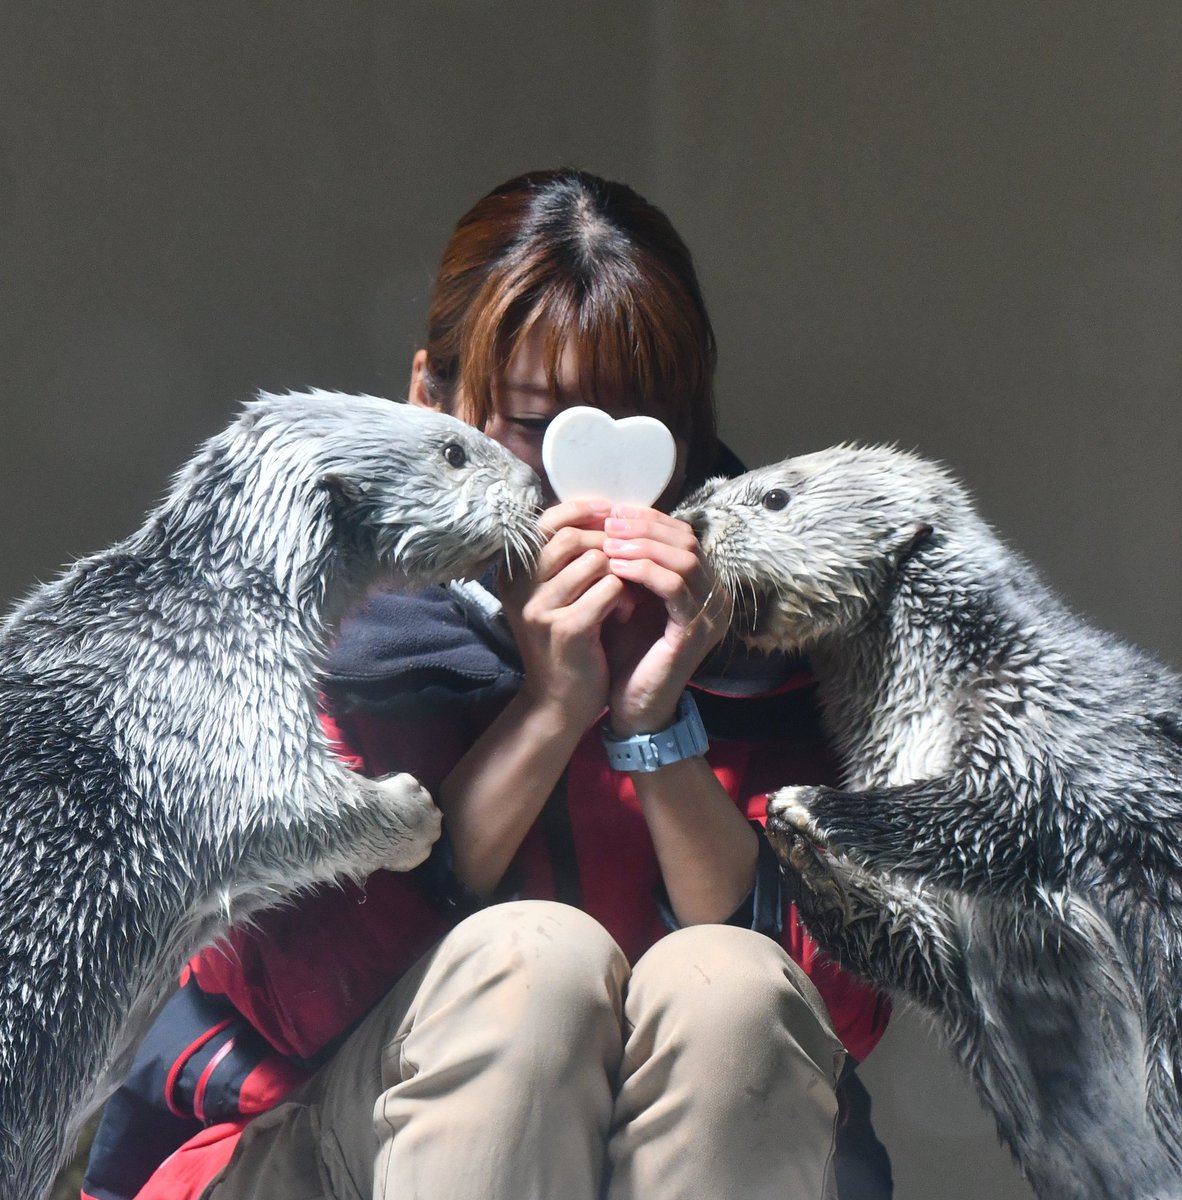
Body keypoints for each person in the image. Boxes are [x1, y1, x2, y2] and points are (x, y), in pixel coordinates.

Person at [82, 168, 892, 1200]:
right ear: (429, 396)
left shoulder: (766, 637)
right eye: (530, 425)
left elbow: (840, 1016)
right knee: (530, 967)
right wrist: (548, 714)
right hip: (304, 1150)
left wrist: (655, 724)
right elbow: (298, 996)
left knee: (733, 993)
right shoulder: (285, 622)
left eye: (635, 432)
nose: (579, 483)